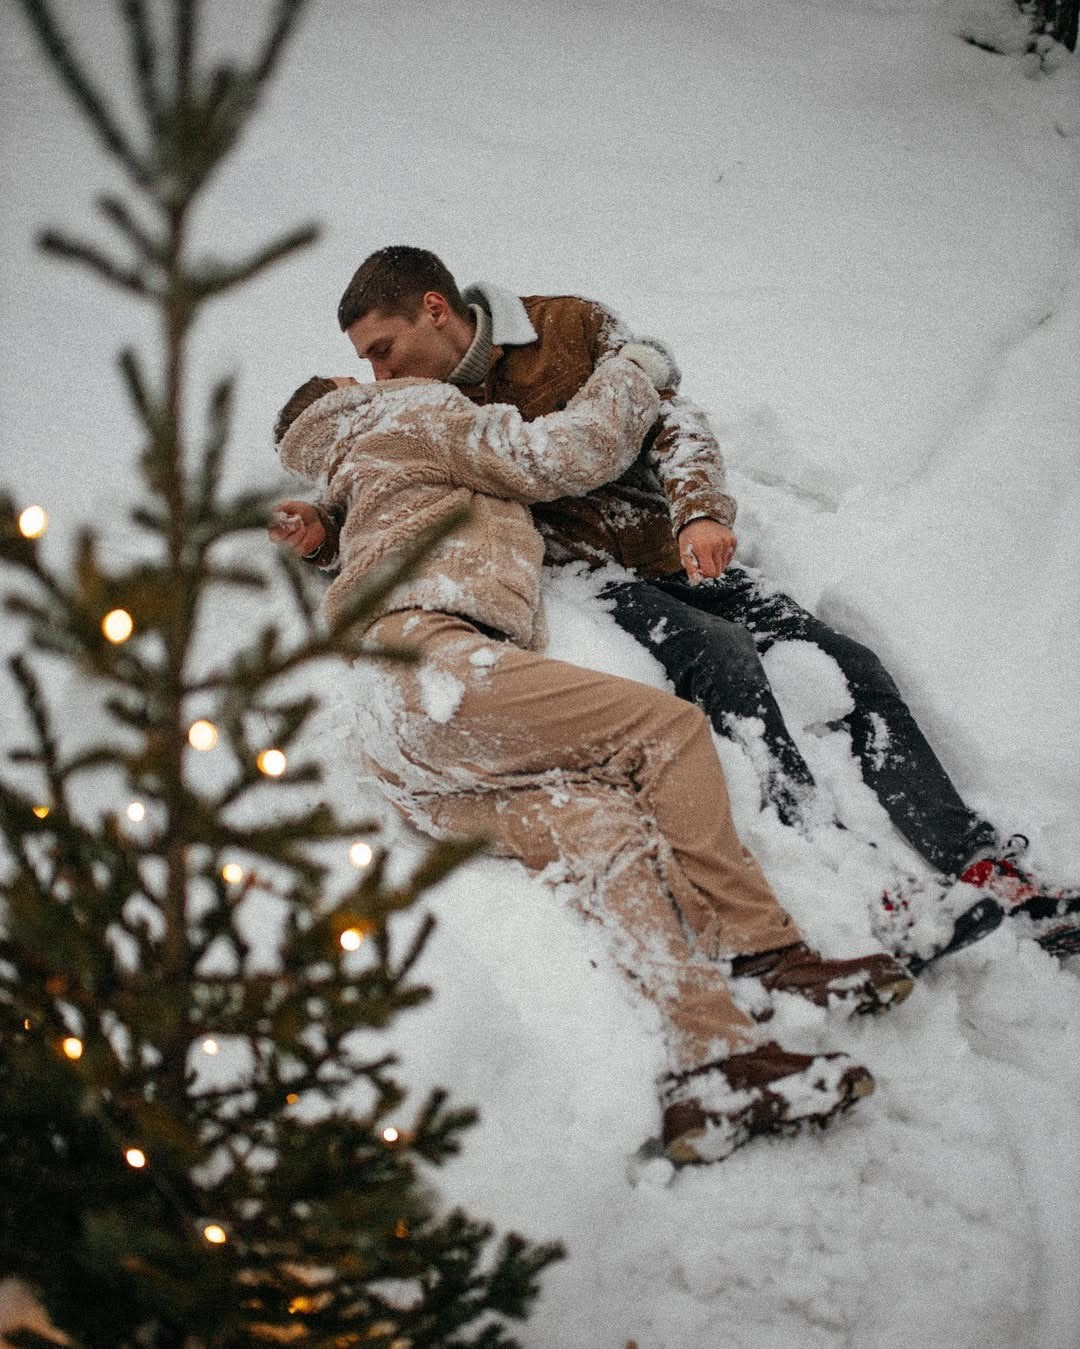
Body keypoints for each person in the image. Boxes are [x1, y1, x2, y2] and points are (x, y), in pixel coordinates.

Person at [275, 245, 1080, 967]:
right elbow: (391, 511)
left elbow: (670, 417)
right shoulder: (413, 413)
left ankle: (980, 862)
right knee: (723, 659)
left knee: (849, 665)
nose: (376, 374)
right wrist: (323, 537)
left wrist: (699, 510)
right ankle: (851, 874)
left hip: (677, 547)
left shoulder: (563, 326)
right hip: (594, 579)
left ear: (435, 308)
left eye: (382, 349)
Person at [270, 344, 915, 1164]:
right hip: (435, 667)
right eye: (358, 372)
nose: (375, 372)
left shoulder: (356, 468)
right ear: (343, 397)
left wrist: (322, 538)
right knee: (666, 731)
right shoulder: (410, 410)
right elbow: (560, 455)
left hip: (396, 739)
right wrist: (632, 371)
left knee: (600, 828)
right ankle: (766, 950)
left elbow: (386, 525)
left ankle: (715, 1063)